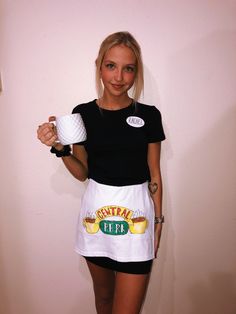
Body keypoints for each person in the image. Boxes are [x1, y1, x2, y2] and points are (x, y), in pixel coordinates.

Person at [37, 31, 165, 314]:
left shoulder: (149, 115)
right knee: (104, 300)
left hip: (137, 221)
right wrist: (59, 147)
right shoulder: (82, 114)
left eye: (128, 68)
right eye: (111, 66)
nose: (119, 77)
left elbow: (154, 174)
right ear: (99, 66)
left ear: (135, 72)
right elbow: (82, 172)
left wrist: (158, 221)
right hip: (97, 218)